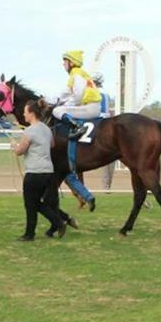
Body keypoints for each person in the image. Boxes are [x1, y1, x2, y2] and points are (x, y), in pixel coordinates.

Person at [47, 49, 101, 210]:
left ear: (71, 62)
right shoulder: (76, 75)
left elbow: (77, 95)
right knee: (58, 108)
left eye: (65, 61)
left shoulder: (76, 73)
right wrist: (47, 99)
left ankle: (76, 126)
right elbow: (61, 96)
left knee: (58, 111)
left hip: (90, 107)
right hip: (90, 106)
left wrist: (65, 106)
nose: (63, 64)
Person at [10, 101, 72, 240]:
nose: (23, 115)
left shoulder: (29, 131)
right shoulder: (46, 129)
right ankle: (56, 223)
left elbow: (20, 151)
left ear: (31, 113)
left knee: (31, 204)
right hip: (48, 172)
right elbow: (52, 144)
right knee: (39, 203)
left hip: (34, 173)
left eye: (25, 112)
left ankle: (32, 233)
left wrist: (14, 145)